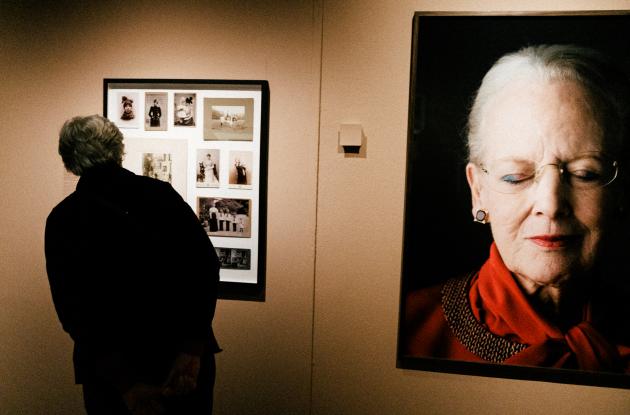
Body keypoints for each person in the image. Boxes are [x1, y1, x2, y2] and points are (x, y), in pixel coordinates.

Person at [403, 44, 630, 372]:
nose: (550, 206)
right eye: (515, 176)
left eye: (585, 174)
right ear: (478, 191)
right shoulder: (407, 329)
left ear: (619, 190)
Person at [45, 115, 221, 414]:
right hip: (178, 360)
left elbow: (74, 310)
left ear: (68, 159)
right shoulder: (161, 197)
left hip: (112, 373)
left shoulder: (65, 218)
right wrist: (191, 350)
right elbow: (204, 269)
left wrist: (125, 383)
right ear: (117, 148)